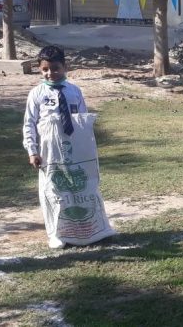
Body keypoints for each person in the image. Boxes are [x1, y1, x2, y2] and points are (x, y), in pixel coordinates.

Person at [23, 46, 115, 247]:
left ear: (65, 67)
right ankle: (60, 234)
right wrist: (33, 151)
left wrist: (87, 146)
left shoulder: (74, 91)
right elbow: (29, 123)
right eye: (45, 69)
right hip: (50, 152)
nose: (51, 73)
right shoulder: (37, 94)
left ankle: (94, 230)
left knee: (83, 186)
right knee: (55, 190)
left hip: (76, 149)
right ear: (39, 69)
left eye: (55, 68)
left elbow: (82, 121)